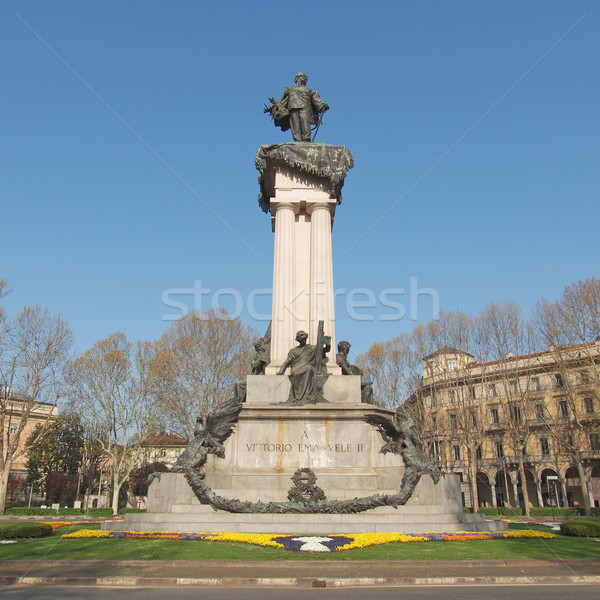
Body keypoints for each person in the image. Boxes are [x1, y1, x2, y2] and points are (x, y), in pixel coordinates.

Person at [265, 73, 329, 142]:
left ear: (305, 80)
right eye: (298, 77)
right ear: (295, 79)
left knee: (305, 122)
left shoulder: (310, 90)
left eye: (301, 77)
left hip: (305, 107)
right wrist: (274, 106)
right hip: (292, 108)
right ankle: (297, 139)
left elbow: (316, 99)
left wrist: (322, 105)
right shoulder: (289, 90)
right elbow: (281, 101)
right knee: (295, 124)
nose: (299, 78)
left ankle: (306, 136)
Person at [277, 330, 328, 404]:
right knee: (305, 370)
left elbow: (324, 350)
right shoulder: (293, 351)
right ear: (299, 340)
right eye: (302, 339)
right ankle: (300, 396)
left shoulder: (311, 348)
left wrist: (327, 343)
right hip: (296, 369)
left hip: (307, 367)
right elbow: (286, 362)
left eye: (304, 339)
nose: (303, 340)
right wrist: (281, 371)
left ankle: (308, 395)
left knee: (310, 369)